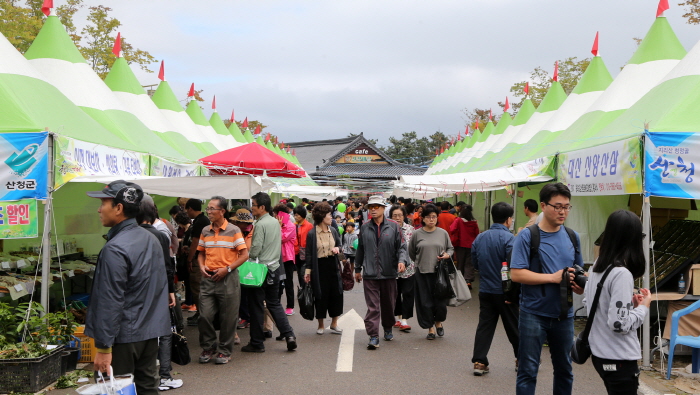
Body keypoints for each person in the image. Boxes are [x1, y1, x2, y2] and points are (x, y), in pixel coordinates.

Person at [85, 180, 170, 395]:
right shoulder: (151, 239)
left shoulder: (115, 248)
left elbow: (109, 300)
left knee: (114, 389)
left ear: (119, 208)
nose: (99, 209)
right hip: (149, 332)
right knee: (147, 388)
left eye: (103, 203)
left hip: (122, 337)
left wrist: (103, 347)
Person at [510, 183, 584, 395]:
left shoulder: (572, 236)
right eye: (557, 206)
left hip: (564, 314)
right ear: (543, 205)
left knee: (565, 369)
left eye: (567, 207)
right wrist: (552, 278)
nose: (563, 211)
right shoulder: (528, 235)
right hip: (533, 313)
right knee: (528, 370)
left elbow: (578, 271)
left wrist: (578, 285)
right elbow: (516, 274)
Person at [585, 210, 651, 395]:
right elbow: (619, 324)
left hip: (600, 353)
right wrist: (644, 307)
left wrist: (629, 304)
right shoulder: (622, 273)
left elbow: (594, 303)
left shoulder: (599, 264)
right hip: (619, 357)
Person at [136, 195, 182, 390]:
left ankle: (142, 376)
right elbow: (167, 266)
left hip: (137, 294)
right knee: (163, 332)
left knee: (141, 333)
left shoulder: (125, 235)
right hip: (158, 289)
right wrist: (170, 290)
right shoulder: (159, 235)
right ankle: (163, 375)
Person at [196, 196, 248, 365]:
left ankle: (224, 350)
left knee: (228, 317)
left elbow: (244, 255)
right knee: (204, 315)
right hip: (208, 278)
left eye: (212, 209)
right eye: (208, 209)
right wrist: (201, 266)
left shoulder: (233, 230)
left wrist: (227, 269)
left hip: (228, 278)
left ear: (222, 211)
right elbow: (201, 252)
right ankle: (209, 347)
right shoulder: (205, 230)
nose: (208, 212)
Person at [470, 202, 519, 376]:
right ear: (508, 220)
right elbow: (514, 266)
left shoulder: (480, 237)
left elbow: (475, 262)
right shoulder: (510, 239)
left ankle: (479, 361)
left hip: (485, 288)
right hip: (505, 291)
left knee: (485, 325)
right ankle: (521, 359)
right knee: (514, 326)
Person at [245, 192, 297, 352]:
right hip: (275, 268)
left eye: (253, 205)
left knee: (256, 306)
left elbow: (255, 250)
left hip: (260, 270)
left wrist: (247, 255)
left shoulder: (260, 224)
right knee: (274, 304)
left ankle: (257, 342)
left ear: (262, 207)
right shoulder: (275, 222)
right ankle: (289, 335)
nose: (251, 208)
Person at [355, 195, 407, 350]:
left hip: (389, 273)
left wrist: (402, 261)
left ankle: (388, 327)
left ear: (384, 208)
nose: (373, 209)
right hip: (370, 273)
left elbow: (402, 247)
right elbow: (361, 249)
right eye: (371, 207)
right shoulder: (364, 227)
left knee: (388, 305)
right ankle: (373, 336)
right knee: (373, 307)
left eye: (376, 206)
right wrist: (357, 269)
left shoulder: (393, 226)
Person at [408, 203, 454, 340]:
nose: (431, 219)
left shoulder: (442, 233)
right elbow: (412, 253)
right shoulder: (417, 234)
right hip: (422, 273)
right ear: (423, 218)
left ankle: (439, 322)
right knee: (425, 302)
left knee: (440, 302)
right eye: (428, 217)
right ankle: (430, 328)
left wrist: (447, 255)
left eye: (434, 217)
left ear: (437, 218)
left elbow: (450, 249)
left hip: (440, 273)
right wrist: (420, 262)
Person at [303, 202, 344, 335]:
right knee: (320, 295)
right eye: (328, 215)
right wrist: (308, 272)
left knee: (336, 294)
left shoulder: (333, 230)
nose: (331, 217)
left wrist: (338, 249)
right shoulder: (312, 234)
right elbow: (309, 254)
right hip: (319, 267)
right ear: (321, 216)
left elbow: (340, 246)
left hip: (333, 265)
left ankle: (334, 323)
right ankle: (321, 325)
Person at [185, 199, 210, 325]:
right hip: (199, 257)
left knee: (197, 287)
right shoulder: (201, 220)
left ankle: (202, 314)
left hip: (198, 259)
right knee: (196, 287)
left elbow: (195, 241)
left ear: (190, 208)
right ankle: (200, 312)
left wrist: (190, 258)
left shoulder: (201, 221)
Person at [390, 205, 415, 332]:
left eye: (400, 215)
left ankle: (405, 319)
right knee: (396, 294)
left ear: (404, 216)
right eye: (395, 215)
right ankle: (399, 318)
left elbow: (414, 247)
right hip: (393, 268)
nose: (398, 218)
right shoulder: (387, 230)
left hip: (409, 268)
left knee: (408, 293)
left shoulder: (411, 229)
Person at [273, 203, 297, 316]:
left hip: (287, 258)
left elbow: (281, 238)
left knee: (288, 282)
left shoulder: (291, 226)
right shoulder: (275, 224)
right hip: (276, 257)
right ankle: (276, 304)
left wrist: (278, 226)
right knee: (277, 282)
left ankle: (290, 306)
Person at [449, 204, 480, 288]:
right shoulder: (474, 222)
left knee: (460, 262)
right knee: (469, 263)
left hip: (460, 244)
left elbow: (452, 229)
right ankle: (468, 281)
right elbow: (477, 234)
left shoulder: (458, 220)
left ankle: (460, 280)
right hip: (471, 245)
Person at [293, 205, 313, 288]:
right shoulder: (294, 225)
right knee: (299, 272)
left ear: (302, 215)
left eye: (297, 215)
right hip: (296, 252)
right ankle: (303, 291)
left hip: (305, 252)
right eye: (295, 215)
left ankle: (306, 290)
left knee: (303, 273)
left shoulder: (309, 226)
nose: (295, 217)